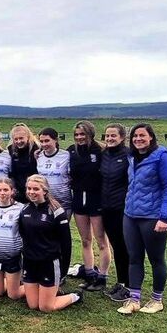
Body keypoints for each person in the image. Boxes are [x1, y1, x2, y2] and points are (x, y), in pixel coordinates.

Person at [117, 123, 167, 315]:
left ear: (151, 137)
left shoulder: (163, 156)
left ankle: (157, 299)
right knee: (134, 258)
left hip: (153, 217)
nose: (138, 139)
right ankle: (134, 299)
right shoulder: (132, 156)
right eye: (134, 136)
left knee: (156, 259)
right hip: (130, 215)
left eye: (142, 135)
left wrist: (164, 218)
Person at [20, 175, 84, 313]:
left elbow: (66, 243)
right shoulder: (24, 210)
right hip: (30, 262)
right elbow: (23, 236)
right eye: (29, 188)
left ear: (45, 190)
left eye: (36, 189)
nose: (31, 192)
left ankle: (75, 296)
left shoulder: (56, 211)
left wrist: (63, 270)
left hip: (48, 263)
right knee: (32, 305)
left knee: (45, 307)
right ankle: (48, 291)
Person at [68, 120, 111, 291]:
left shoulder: (101, 150)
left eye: (82, 134)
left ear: (90, 134)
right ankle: (89, 274)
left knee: (101, 241)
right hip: (78, 199)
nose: (79, 137)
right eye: (76, 134)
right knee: (85, 240)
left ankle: (102, 277)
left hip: (96, 200)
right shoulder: (72, 150)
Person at [36, 127, 72, 283]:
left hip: (63, 204)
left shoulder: (66, 155)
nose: (44, 144)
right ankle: (45, 269)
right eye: (42, 141)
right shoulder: (38, 156)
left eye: (47, 141)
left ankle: (61, 272)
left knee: (60, 239)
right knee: (45, 237)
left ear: (55, 140)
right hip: (45, 203)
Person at [101, 123, 131, 301]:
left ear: (121, 137)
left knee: (125, 248)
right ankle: (121, 282)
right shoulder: (104, 154)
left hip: (123, 209)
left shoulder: (128, 155)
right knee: (117, 247)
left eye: (113, 136)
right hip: (107, 209)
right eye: (107, 136)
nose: (110, 139)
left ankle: (128, 286)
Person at [0, 177, 25, 300]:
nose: (2, 193)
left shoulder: (21, 208)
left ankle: (36, 286)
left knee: (13, 295)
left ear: (12, 191)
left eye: (6, 190)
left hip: (12, 256)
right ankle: (6, 279)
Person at [8, 123, 39, 203]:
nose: (19, 141)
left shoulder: (36, 149)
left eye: (21, 138)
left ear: (28, 137)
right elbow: (11, 172)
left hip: (34, 191)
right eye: (16, 139)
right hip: (18, 193)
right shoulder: (11, 150)